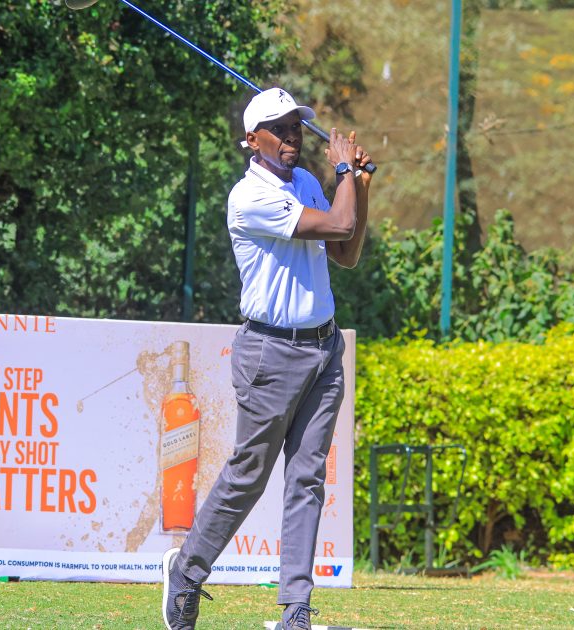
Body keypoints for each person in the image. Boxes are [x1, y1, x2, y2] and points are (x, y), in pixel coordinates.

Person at [161, 87, 373, 630]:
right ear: (252, 141)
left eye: (295, 126)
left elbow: (347, 251)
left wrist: (359, 184)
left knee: (307, 480)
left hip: (323, 350)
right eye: (278, 129)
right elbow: (339, 225)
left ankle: (295, 609)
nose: (291, 136)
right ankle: (186, 572)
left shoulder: (304, 183)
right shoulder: (249, 196)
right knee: (248, 476)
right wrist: (344, 172)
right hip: (270, 353)